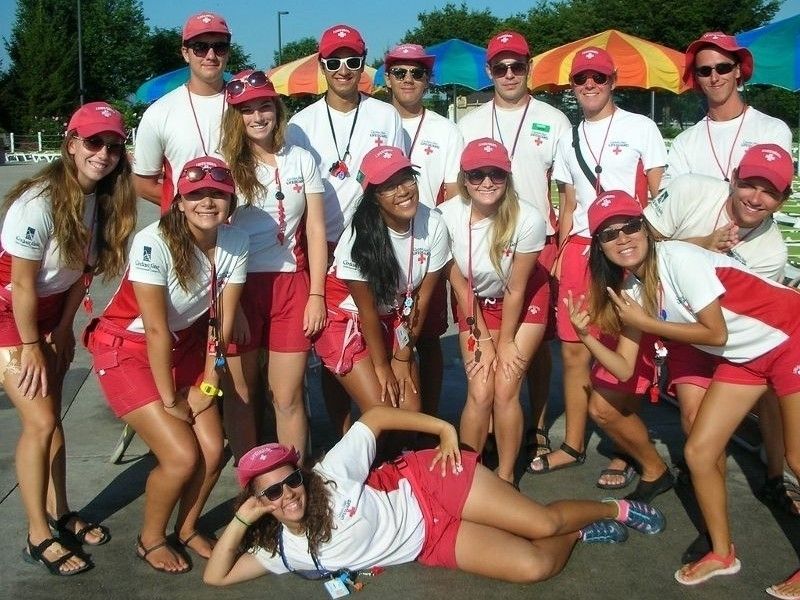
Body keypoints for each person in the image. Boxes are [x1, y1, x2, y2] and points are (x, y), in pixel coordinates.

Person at [568, 189, 800, 592]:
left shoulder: (679, 258)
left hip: (789, 335)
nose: (623, 238)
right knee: (698, 451)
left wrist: (646, 323)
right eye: (609, 234)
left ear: (646, 228)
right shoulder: (634, 292)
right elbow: (623, 367)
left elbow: (715, 331)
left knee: (798, 455)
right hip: (745, 356)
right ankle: (723, 553)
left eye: (631, 226)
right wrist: (585, 335)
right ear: (600, 248)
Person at [203, 406, 666, 586]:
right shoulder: (283, 550)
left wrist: (444, 429)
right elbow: (216, 578)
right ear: (259, 499)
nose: (288, 494)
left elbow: (377, 418)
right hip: (429, 540)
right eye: (273, 492)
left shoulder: (328, 476)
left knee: (542, 524)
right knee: (535, 566)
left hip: (431, 482)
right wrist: (243, 520)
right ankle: (583, 532)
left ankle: (620, 507)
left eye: (291, 481)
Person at [85, 157, 248, 573]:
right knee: (181, 456)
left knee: (213, 450)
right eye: (196, 194)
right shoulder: (151, 241)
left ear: (231, 200)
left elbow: (221, 323)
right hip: (127, 347)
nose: (207, 202)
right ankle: (150, 539)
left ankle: (188, 527)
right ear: (178, 201)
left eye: (217, 193)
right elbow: (155, 329)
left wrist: (208, 385)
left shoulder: (237, 240)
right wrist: (169, 400)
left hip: (183, 347)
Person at [2, 102, 136, 575]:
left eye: (114, 145)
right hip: (9, 313)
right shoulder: (38, 200)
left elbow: (81, 274)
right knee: (39, 423)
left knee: (53, 420)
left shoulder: (101, 200)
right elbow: (19, 284)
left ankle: (60, 513)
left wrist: (61, 333)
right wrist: (30, 345)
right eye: (94, 141)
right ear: (72, 144)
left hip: (50, 314)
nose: (104, 153)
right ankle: (37, 534)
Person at [530, 47, 667, 484]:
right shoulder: (568, 136)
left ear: (613, 81)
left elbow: (658, 193)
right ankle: (572, 443)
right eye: (581, 79)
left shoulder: (640, 127)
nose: (589, 86)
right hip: (582, 250)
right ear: (572, 87)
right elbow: (569, 203)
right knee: (573, 348)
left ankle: (620, 447)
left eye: (598, 78)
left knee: (622, 350)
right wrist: (561, 252)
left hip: (626, 246)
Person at [457, 31, 571, 462]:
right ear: (489, 71)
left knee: (535, 344)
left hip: (536, 241)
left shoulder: (553, 118)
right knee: (484, 338)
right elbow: (456, 189)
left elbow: (567, 190)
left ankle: (537, 425)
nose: (508, 74)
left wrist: (559, 245)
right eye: (500, 67)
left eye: (517, 66)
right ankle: (488, 427)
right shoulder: (468, 123)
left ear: (529, 69)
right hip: (483, 240)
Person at [285, 24, 403, 435]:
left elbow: (397, 179)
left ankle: (385, 428)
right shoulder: (300, 123)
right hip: (324, 245)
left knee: (379, 337)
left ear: (362, 63)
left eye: (352, 61)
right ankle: (343, 434)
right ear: (322, 65)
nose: (343, 69)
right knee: (333, 350)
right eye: (334, 61)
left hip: (374, 242)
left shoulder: (384, 114)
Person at [220, 70, 327, 461]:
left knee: (288, 395)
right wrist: (229, 303)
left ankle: (294, 478)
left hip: (291, 284)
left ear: (276, 109)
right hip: (238, 286)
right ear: (236, 117)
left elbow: (314, 229)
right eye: (246, 110)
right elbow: (213, 236)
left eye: (264, 105)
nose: (257, 116)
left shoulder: (300, 158)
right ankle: (252, 483)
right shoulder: (225, 164)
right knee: (242, 393)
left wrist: (316, 293)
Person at [313, 146, 449, 433]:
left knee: (410, 411)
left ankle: (396, 469)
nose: (402, 191)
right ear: (373, 198)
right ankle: (367, 469)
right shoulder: (356, 237)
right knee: (385, 409)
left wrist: (402, 356)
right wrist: (383, 366)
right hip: (347, 316)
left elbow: (421, 298)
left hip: (396, 315)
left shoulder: (435, 224)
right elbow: (367, 311)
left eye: (406, 179)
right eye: (388, 186)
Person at [439, 139, 549, 485]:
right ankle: (467, 475)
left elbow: (517, 288)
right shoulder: (446, 215)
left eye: (496, 174)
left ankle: (504, 478)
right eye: (476, 175)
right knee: (480, 388)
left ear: (508, 176)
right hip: (474, 303)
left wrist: (507, 342)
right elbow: (458, 283)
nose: (486, 182)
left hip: (524, 299)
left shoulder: (528, 218)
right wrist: (484, 336)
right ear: (464, 178)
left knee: (505, 387)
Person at [384, 43, 464, 418]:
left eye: (417, 72)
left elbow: (453, 193)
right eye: (400, 72)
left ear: (429, 80)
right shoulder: (376, 120)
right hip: (382, 243)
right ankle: (384, 420)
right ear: (388, 78)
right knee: (380, 339)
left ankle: (427, 420)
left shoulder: (446, 130)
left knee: (428, 337)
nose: (409, 79)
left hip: (426, 244)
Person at [663, 31, 792, 186]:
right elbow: (672, 198)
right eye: (704, 71)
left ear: (737, 70)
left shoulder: (772, 129)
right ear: (697, 77)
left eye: (723, 68)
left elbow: (770, 193)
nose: (714, 78)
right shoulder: (684, 141)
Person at [134, 11, 231, 212]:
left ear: (228, 52)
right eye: (200, 48)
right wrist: (190, 206)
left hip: (243, 231)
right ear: (185, 53)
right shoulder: (159, 112)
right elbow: (142, 184)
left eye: (219, 47)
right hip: (182, 235)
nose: (210, 55)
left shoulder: (248, 107)